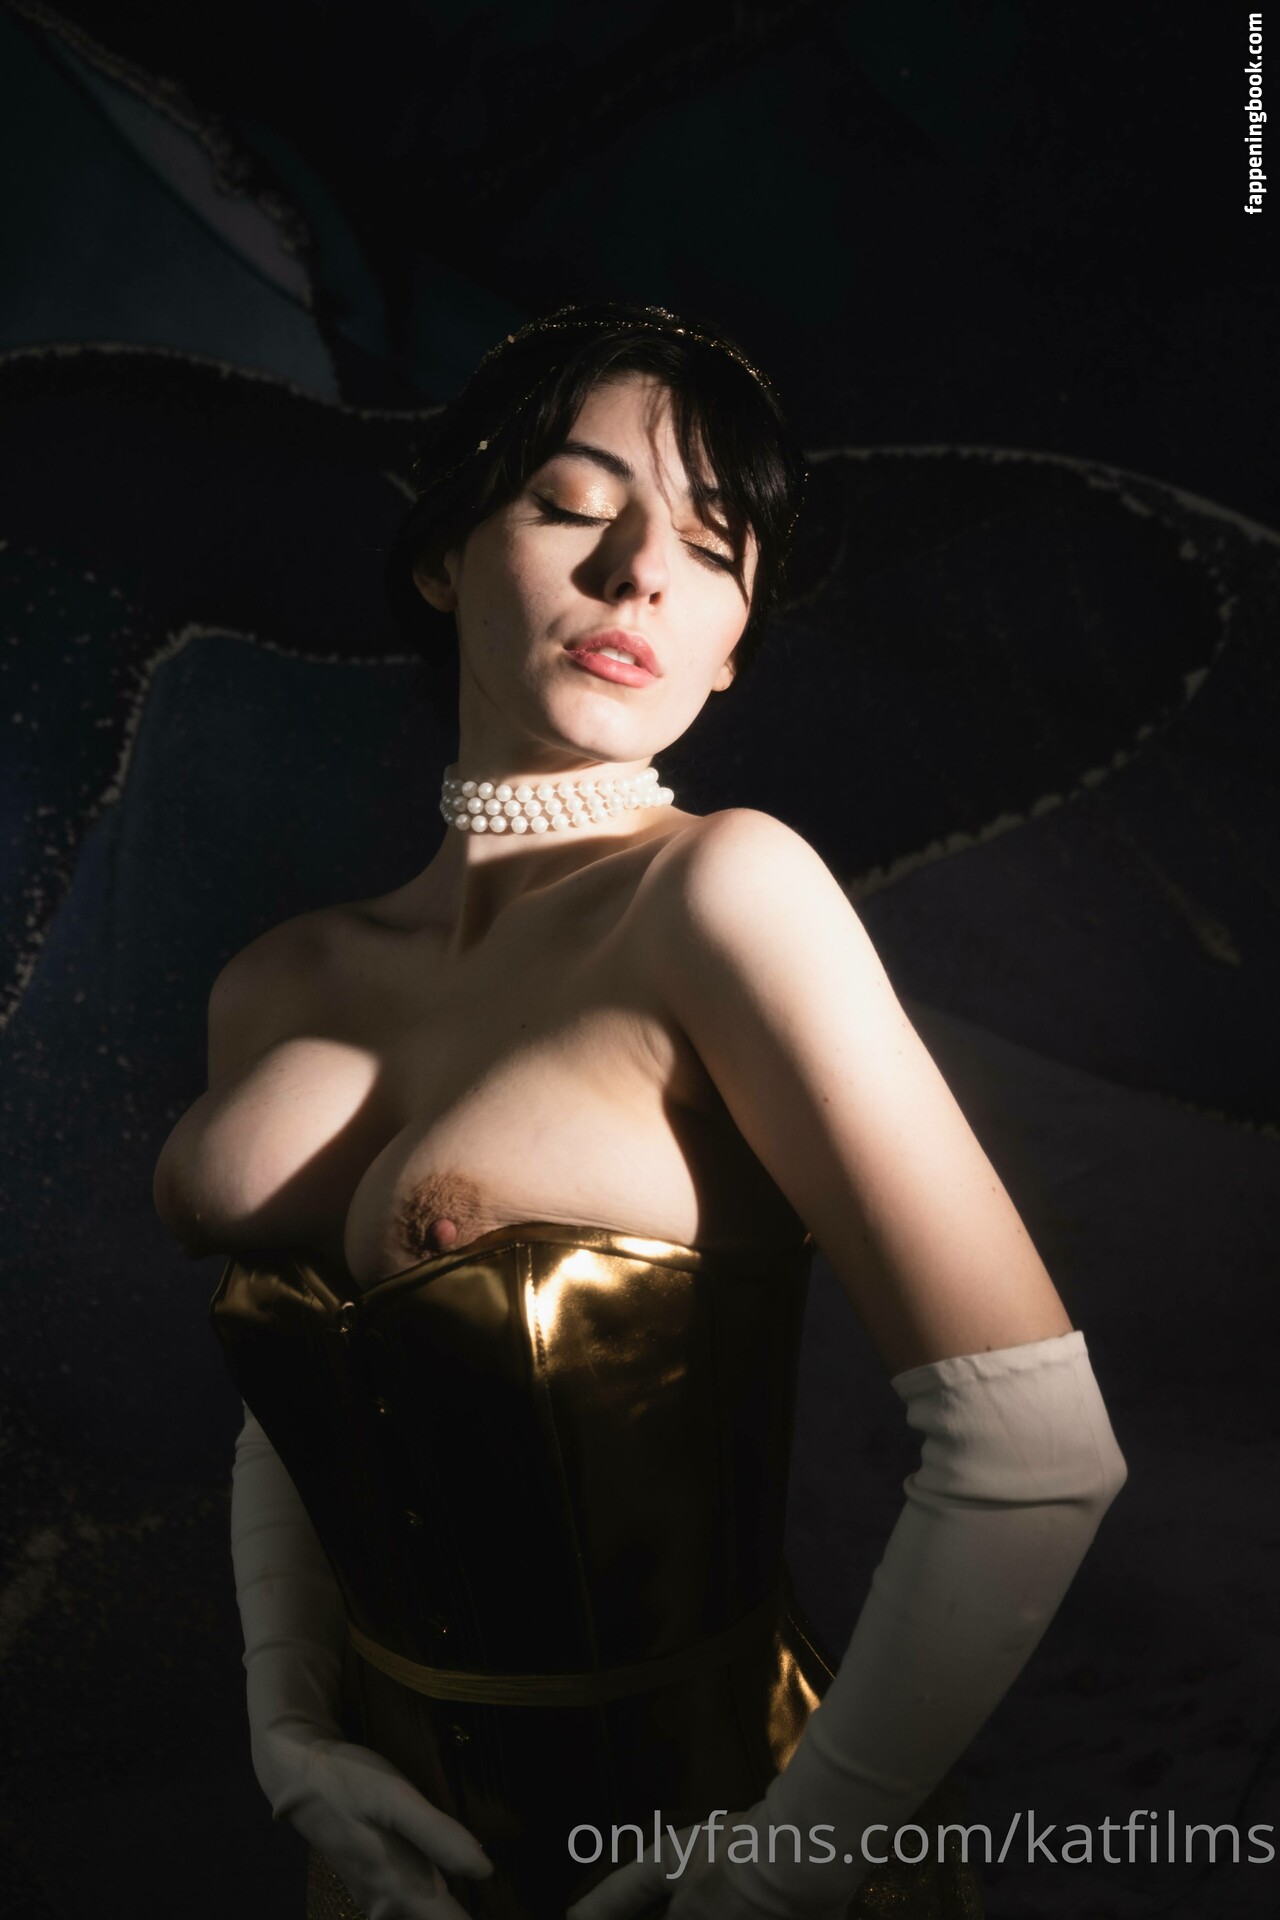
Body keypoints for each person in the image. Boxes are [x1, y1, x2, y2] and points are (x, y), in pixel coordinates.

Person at [153, 301, 1128, 1920]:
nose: (640, 576)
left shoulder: (725, 896)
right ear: (443, 555)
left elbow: (1037, 1451)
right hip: (382, 1864)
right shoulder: (281, 979)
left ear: (734, 640)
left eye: (713, 546)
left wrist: (789, 1865)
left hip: (699, 1857)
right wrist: (289, 1728)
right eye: (571, 505)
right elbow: (314, 1371)